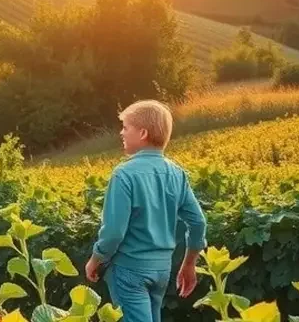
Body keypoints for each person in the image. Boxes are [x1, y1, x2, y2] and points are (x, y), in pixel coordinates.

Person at [84, 100, 207, 322]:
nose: (121, 133)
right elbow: (198, 222)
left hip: (128, 270)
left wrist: (96, 258)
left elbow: (113, 232)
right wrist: (189, 264)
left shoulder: (124, 174)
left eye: (126, 127)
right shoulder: (176, 174)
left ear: (142, 133)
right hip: (162, 271)